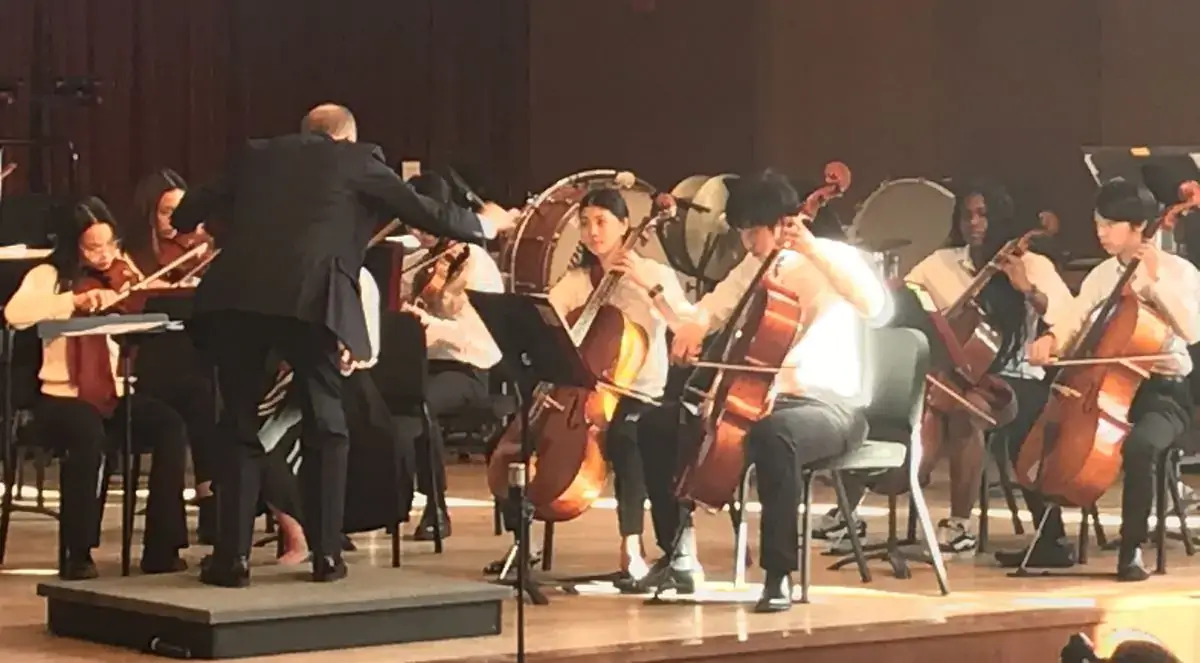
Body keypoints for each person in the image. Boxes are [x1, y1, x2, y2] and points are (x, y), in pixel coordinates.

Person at [172, 103, 517, 587]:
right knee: (327, 423)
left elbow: (187, 213)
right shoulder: (358, 162)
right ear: (348, 138)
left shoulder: (255, 156)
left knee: (240, 424)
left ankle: (232, 559)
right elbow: (430, 213)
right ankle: (327, 554)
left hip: (237, 298)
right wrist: (488, 224)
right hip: (311, 301)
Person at [617, 170, 890, 611]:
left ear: (783, 223)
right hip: (762, 401)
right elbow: (716, 306)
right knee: (657, 424)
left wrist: (814, 251)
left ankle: (777, 576)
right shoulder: (757, 264)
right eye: (741, 231)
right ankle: (679, 554)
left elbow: (876, 308)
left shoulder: (834, 257)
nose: (746, 242)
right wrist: (693, 327)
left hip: (832, 406)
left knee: (773, 435)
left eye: (752, 231)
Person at [817, 180, 1074, 556]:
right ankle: (846, 512)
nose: (974, 223)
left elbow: (1069, 319)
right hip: (954, 376)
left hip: (1017, 381)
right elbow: (905, 297)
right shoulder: (943, 262)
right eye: (967, 215)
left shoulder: (1033, 265)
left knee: (965, 413)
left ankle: (959, 524)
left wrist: (1028, 292)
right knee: (887, 403)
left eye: (983, 215)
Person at [1011, 177, 1200, 580]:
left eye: (1110, 224)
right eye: (1098, 222)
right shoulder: (1101, 276)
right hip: (1103, 388)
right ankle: (1051, 541)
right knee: (1026, 428)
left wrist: (1152, 287)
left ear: (1140, 227)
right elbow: (1075, 321)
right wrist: (1050, 338)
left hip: (1162, 395)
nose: (1099, 231)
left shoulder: (1178, 272)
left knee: (1141, 446)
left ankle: (1131, 550)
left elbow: (1192, 330)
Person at [4, 197, 189, 579]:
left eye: (109, 244)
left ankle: (161, 547)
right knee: (87, 432)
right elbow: (15, 315)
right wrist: (72, 300)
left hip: (113, 391)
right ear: (74, 246)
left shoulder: (124, 271)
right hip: (60, 397)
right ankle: (77, 552)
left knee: (170, 426)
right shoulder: (49, 276)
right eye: (93, 248)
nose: (104, 256)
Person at [394, 173, 505, 541]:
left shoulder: (474, 261)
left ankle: (436, 506)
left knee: (419, 402)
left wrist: (428, 326)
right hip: (420, 365)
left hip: (468, 368)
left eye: (425, 222)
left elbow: (483, 337)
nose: (419, 231)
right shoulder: (415, 260)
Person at [122, 168, 221, 543]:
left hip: (195, 358)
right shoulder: (133, 255)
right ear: (149, 213)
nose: (176, 221)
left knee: (209, 394)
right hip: (148, 363)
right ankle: (210, 505)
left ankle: (213, 497)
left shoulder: (199, 248)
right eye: (166, 212)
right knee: (202, 395)